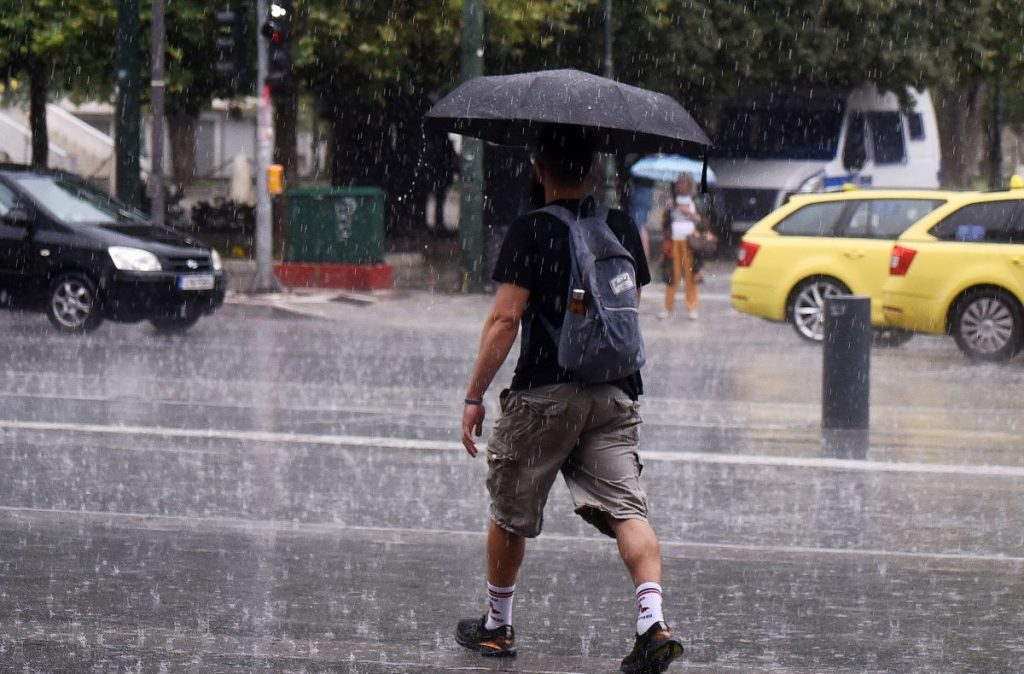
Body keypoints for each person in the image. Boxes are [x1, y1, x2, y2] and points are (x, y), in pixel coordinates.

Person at [456, 124, 685, 674]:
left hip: (546, 391)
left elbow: (506, 318)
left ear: (539, 168)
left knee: (511, 510)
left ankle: (496, 625)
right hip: (614, 393)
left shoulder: (531, 230)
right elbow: (623, 309)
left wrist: (474, 394)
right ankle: (652, 623)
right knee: (628, 510)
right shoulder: (622, 227)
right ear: (592, 169)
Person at [658, 174, 704, 320]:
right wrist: (668, 209)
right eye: (678, 183)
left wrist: (690, 214)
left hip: (690, 242)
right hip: (673, 242)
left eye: (684, 184)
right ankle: (667, 307)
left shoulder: (695, 201)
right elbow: (663, 223)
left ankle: (692, 306)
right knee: (672, 275)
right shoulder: (671, 201)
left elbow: (703, 222)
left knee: (691, 275)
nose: (680, 186)